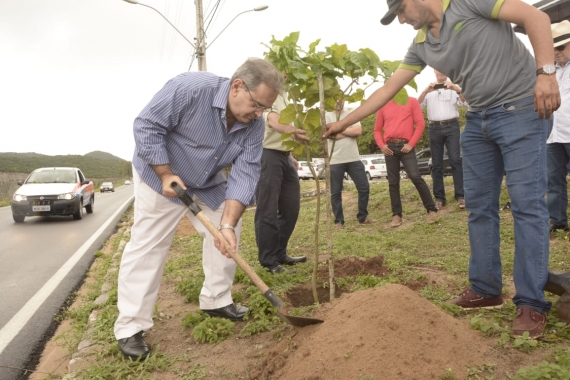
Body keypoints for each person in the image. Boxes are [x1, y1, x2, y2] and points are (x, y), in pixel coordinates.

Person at [324, 0, 560, 339]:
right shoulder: (421, 44)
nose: (402, 20)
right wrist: (344, 122)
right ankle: (486, 288)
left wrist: (546, 74)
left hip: (521, 107)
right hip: (478, 119)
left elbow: (535, 17)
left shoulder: (469, 3)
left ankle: (531, 303)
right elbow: (388, 89)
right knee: (479, 207)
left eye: (402, 11)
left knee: (527, 207)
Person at [114, 58, 282, 360]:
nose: (259, 114)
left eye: (264, 109)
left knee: (228, 230)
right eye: (257, 105)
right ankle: (130, 327)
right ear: (237, 87)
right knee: (149, 246)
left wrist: (227, 225)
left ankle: (216, 299)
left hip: (205, 181)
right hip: (160, 176)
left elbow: (245, 173)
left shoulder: (253, 126)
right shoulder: (190, 88)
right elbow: (147, 125)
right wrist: (165, 173)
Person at [255, 91, 309, 275]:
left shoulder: (286, 95)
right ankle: (268, 260)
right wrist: (292, 131)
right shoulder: (266, 91)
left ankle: (280, 253)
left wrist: (290, 154)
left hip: (285, 156)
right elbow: (273, 120)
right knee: (267, 210)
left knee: (290, 208)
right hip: (267, 155)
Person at [374, 97, 438, 227]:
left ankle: (432, 209)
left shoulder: (412, 101)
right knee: (393, 182)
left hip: (406, 146)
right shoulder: (383, 104)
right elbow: (377, 130)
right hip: (390, 147)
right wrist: (381, 145)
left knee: (415, 176)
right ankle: (396, 215)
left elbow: (420, 124)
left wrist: (411, 144)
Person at [418, 69, 467, 210]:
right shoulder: (429, 89)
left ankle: (460, 196)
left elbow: (466, 104)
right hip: (434, 127)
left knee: (455, 160)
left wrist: (457, 89)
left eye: (442, 69)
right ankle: (439, 198)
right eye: (437, 70)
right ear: (434, 71)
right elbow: (417, 106)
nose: (440, 72)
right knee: (436, 163)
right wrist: (425, 91)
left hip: (452, 126)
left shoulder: (454, 87)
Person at [325, 100, 377, 228]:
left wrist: (339, 129)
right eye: (335, 99)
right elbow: (330, 135)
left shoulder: (351, 115)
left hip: (353, 158)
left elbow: (358, 131)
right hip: (335, 160)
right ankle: (339, 221)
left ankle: (362, 217)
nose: (338, 102)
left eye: (340, 99)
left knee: (364, 187)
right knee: (336, 192)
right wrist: (348, 130)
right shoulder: (326, 116)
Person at [547, 21, 570, 234]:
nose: (556, 52)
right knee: (554, 179)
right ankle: (558, 219)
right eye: (553, 47)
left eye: (561, 47)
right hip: (553, 134)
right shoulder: (549, 70)